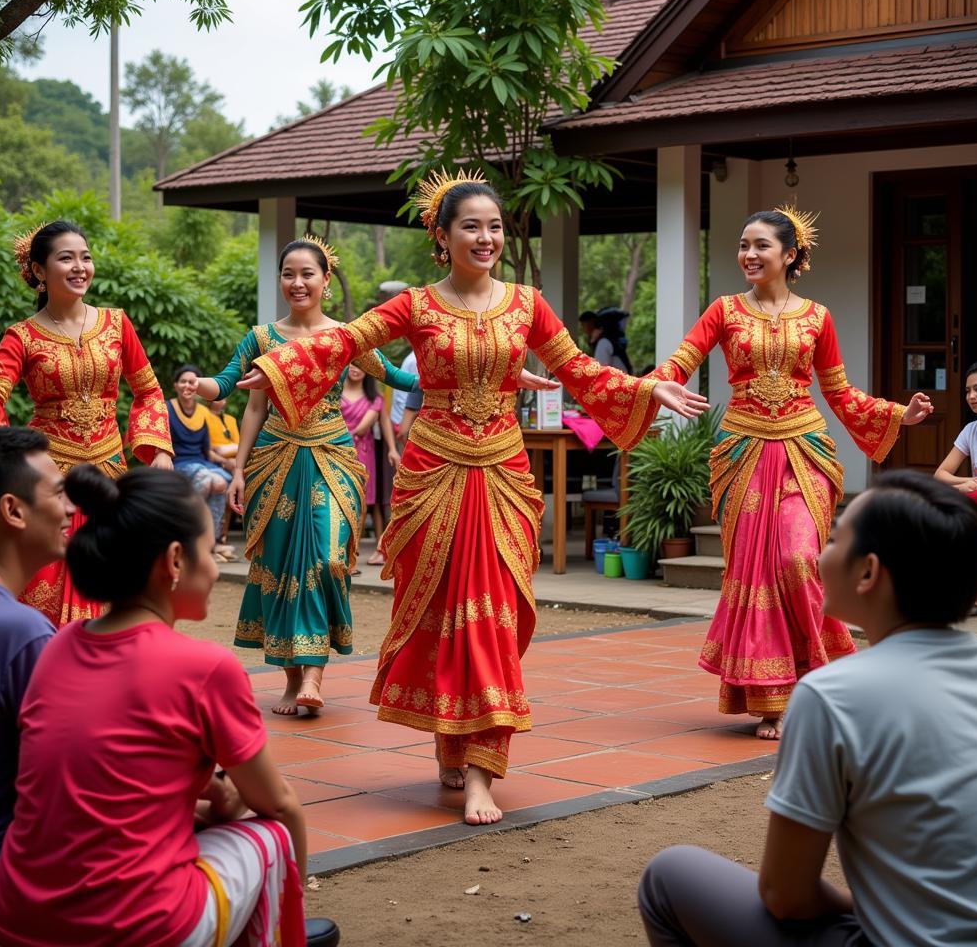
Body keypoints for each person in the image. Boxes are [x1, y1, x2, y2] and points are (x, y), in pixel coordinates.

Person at [238, 169, 672, 825]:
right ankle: (450, 740)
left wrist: (643, 389)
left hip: (502, 476)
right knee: (442, 619)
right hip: (430, 475)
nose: (487, 237)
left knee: (491, 619)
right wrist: (271, 368)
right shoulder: (414, 304)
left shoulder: (527, 303)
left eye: (495, 226)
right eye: (472, 226)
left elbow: (576, 367)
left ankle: (481, 773)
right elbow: (345, 341)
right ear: (442, 237)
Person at [0, 465, 340, 947]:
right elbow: (279, 804)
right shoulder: (205, 666)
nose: (215, 567)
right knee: (272, 836)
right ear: (175, 560)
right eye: (209, 550)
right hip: (134, 928)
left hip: (15, 918)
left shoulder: (57, 644)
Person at [639, 471, 977, 946]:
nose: (818, 554)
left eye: (833, 539)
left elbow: (787, 896)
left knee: (668, 875)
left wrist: (868, 905)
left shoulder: (831, 696)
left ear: (867, 573)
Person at [647, 207, 932, 738]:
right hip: (742, 453)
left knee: (800, 559)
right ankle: (774, 697)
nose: (749, 255)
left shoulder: (817, 317)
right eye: (743, 244)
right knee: (756, 571)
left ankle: (822, 680)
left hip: (805, 450)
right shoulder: (724, 311)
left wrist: (898, 414)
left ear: (790, 254)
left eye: (761, 246)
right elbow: (678, 363)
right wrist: (656, 385)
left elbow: (840, 392)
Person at [194, 236, 418, 715]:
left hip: (333, 459)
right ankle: (294, 678)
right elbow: (242, 396)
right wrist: (232, 459)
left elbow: (400, 379)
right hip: (273, 461)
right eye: (288, 274)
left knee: (329, 556)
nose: (297, 283)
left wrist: (472, 366)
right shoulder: (261, 338)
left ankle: (315, 672)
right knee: (277, 566)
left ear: (325, 280)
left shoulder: (348, 337)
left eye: (307, 274)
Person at [0, 221, 173, 626]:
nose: (80, 267)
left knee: (121, 585)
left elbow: (148, 390)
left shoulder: (116, 323)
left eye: (86, 257)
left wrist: (159, 449)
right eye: (66, 258)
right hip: (51, 481)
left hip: (109, 476)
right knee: (44, 587)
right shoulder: (22, 336)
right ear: (40, 271)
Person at [0, 429, 67, 946]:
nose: (70, 508)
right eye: (57, 492)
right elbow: (73, 795)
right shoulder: (20, 635)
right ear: (13, 510)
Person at [934, 360, 977, 612]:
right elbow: (941, 474)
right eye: (968, 391)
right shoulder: (971, 429)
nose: (971, 396)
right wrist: (965, 484)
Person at [167, 364, 235, 563]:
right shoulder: (166, 408)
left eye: (192, 382)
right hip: (178, 463)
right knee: (207, 480)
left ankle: (209, 542)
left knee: (221, 482)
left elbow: (208, 451)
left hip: (201, 464)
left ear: (198, 386)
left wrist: (228, 463)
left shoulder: (204, 413)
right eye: (183, 381)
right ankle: (187, 535)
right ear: (176, 385)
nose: (187, 385)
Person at [340, 364, 399, 567]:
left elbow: (385, 425)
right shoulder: (335, 392)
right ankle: (341, 547)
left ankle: (356, 549)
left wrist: (392, 449)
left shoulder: (375, 398)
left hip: (364, 453)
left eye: (361, 365)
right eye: (352, 364)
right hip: (337, 449)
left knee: (364, 500)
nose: (356, 369)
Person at [205, 397, 241, 475]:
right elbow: (205, 445)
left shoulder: (231, 419)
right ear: (209, 401)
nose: (223, 400)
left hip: (234, 455)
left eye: (224, 398)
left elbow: (238, 444)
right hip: (215, 457)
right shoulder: (203, 418)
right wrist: (217, 449)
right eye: (219, 398)